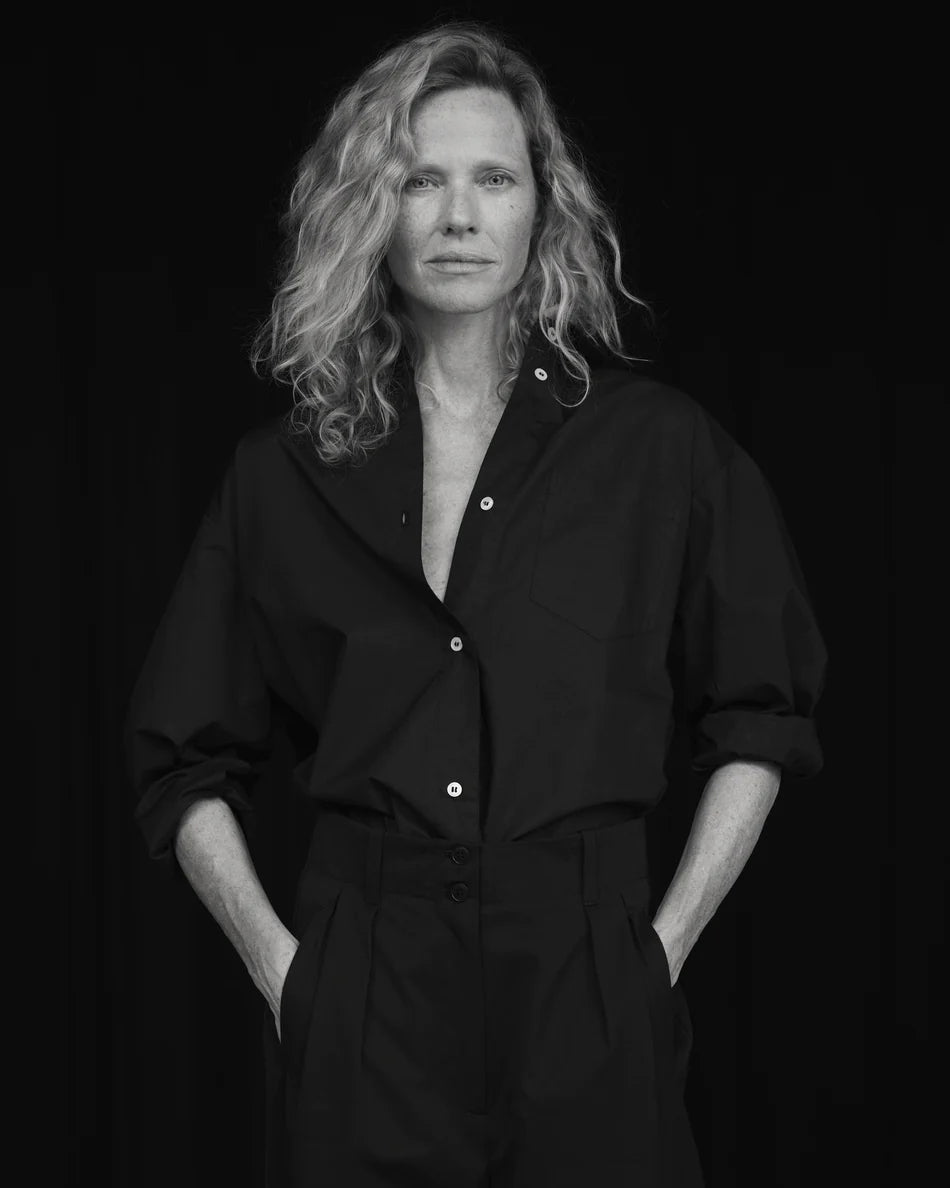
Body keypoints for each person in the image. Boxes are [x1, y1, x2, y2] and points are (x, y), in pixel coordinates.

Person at [124, 19, 828, 1188]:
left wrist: (656, 951)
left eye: (492, 179)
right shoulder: (283, 473)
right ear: (371, 210)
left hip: (584, 975)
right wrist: (286, 973)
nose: (457, 216)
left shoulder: (658, 451)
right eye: (419, 180)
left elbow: (761, 709)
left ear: (542, 207)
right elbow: (180, 752)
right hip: (369, 988)